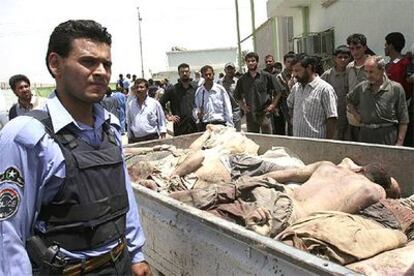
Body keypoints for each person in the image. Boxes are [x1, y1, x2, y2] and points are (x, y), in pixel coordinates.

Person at [0, 20, 151, 275]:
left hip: (120, 263)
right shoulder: (27, 136)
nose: (102, 71)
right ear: (55, 64)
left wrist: (136, 255)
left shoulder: (109, 127)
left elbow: (124, 196)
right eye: (89, 62)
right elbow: (8, 234)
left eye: (107, 64)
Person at [245, 158, 400, 237]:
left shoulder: (327, 166)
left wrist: (250, 182)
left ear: (360, 169)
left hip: (272, 192)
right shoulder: (371, 187)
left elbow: (289, 174)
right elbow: (374, 192)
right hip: (290, 214)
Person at [347, 56, 409, 146]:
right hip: (366, 135)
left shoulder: (395, 89)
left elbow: (403, 119)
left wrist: (399, 142)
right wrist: (356, 115)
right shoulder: (362, 87)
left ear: (382, 70)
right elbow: (349, 100)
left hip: (387, 136)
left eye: (371, 72)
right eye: (366, 71)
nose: (368, 75)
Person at [287, 54, 338, 139]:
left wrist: (328, 144)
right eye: (293, 71)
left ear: (309, 68)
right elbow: (290, 105)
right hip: (298, 142)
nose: (294, 74)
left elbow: (332, 119)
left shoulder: (325, 89)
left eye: (297, 71)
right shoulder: (297, 87)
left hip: (317, 144)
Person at [234, 52, 280, 134]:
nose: (251, 63)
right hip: (250, 114)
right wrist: (243, 107)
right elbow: (237, 96)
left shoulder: (266, 76)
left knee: (268, 139)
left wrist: (272, 105)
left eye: (253, 61)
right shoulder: (242, 79)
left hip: (265, 113)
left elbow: (279, 91)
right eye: (248, 61)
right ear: (246, 63)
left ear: (257, 62)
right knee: (253, 139)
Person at [384, 32, 413, 146]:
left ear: (390, 46)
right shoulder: (387, 65)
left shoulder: (405, 63)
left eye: (386, 45)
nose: (385, 47)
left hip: (400, 111)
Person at [321, 45, 351, 140]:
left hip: (350, 118)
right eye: (340, 57)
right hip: (334, 117)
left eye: (346, 57)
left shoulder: (352, 73)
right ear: (334, 58)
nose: (343, 60)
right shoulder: (328, 75)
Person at [159, 63, 198, 136]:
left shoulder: (196, 88)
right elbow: (160, 103)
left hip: (195, 125)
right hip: (180, 126)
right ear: (179, 73)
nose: (184, 73)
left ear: (190, 73)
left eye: (186, 71)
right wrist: (168, 116)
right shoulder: (173, 89)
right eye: (182, 72)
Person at [194, 65, 233, 131]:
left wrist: (230, 125)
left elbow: (228, 108)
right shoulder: (199, 92)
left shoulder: (220, 90)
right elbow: (196, 108)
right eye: (206, 75)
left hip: (220, 125)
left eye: (210, 74)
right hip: (205, 125)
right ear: (202, 76)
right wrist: (197, 114)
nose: (208, 77)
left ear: (213, 75)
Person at [346, 34, 370, 141]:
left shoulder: (374, 65)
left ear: (365, 47)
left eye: (358, 48)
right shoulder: (349, 67)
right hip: (352, 116)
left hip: (370, 116)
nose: (355, 52)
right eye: (352, 49)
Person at [127, 78, 167, 143]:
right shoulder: (130, 104)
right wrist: (129, 138)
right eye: (136, 87)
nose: (139, 89)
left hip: (152, 138)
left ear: (147, 89)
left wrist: (163, 138)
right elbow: (129, 122)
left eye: (141, 87)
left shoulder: (154, 103)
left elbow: (161, 121)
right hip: (136, 140)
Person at [274, 52, 296, 136]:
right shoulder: (279, 77)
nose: (290, 64)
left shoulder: (297, 75)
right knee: (282, 128)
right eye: (288, 62)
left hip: (296, 104)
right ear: (284, 62)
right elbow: (276, 93)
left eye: (292, 62)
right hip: (283, 105)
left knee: (293, 127)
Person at [217, 62, 241, 131]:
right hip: (223, 110)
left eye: (231, 69)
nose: (230, 71)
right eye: (228, 69)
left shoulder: (238, 82)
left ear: (234, 70)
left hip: (235, 110)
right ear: (225, 70)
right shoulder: (220, 82)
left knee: (236, 132)